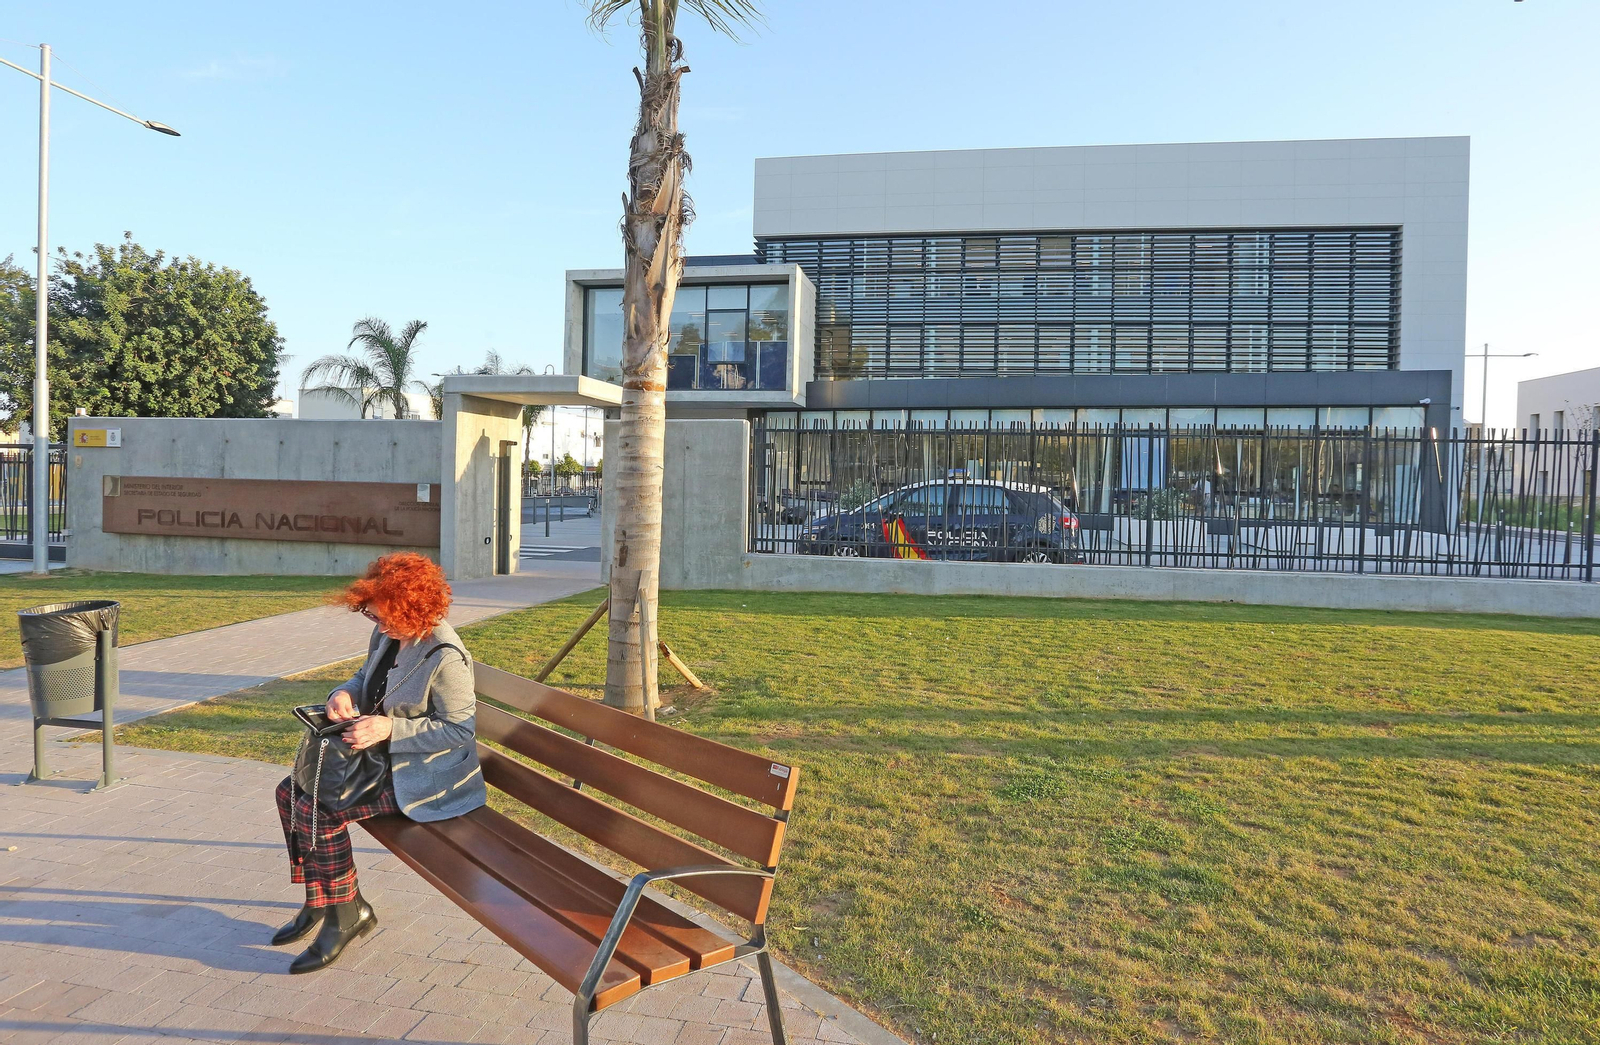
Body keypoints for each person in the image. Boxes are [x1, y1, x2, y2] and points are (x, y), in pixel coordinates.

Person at [272, 552, 485, 974]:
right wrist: (342, 693)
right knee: (288, 792)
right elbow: (364, 676)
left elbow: (460, 730)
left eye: (389, 619)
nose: (382, 627)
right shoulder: (388, 636)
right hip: (382, 763)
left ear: (417, 608)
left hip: (426, 779)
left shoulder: (446, 657)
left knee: (320, 809)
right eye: (374, 617)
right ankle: (322, 901)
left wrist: (389, 730)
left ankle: (346, 915)